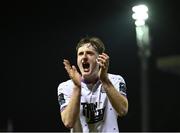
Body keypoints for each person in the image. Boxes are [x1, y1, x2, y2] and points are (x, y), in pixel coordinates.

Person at [57, 36, 128, 132]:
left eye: (89, 53)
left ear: (100, 58)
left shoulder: (115, 80)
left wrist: (105, 81)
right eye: (80, 54)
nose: (84, 57)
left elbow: (123, 110)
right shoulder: (65, 87)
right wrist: (77, 87)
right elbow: (68, 122)